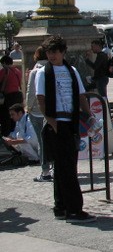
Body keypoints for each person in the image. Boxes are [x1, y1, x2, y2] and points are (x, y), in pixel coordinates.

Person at [35, 34, 96, 223]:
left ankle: (60, 207)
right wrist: (51, 121)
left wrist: (90, 116)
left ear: (62, 52)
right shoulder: (43, 72)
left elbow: (80, 96)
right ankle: (74, 209)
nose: (51, 56)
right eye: (49, 52)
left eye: (54, 52)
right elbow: (41, 99)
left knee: (64, 168)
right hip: (57, 123)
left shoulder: (72, 71)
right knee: (68, 168)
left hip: (70, 122)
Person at [27, 46, 53, 181]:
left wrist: (28, 107)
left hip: (37, 112)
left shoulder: (35, 71)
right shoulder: (53, 69)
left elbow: (31, 93)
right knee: (53, 141)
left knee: (42, 142)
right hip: (52, 111)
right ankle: (55, 167)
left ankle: (45, 171)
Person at [1, 54, 24, 136]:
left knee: (6, 117)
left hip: (8, 96)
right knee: (15, 116)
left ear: (4, 63)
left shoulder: (4, 71)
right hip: (17, 96)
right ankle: (15, 133)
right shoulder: (17, 71)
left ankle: (6, 134)